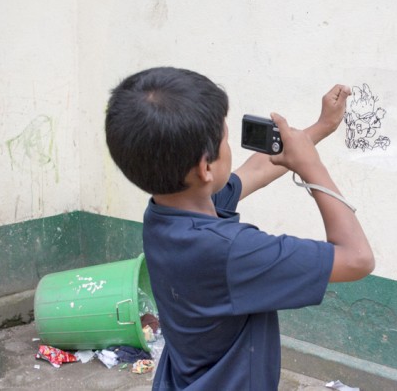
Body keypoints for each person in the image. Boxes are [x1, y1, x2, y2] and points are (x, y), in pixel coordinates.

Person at [105, 67, 374, 390]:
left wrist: (320, 127)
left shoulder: (166, 211)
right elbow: (358, 258)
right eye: (225, 140)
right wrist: (311, 166)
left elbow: (255, 171)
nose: (231, 149)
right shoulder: (232, 250)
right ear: (206, 168)